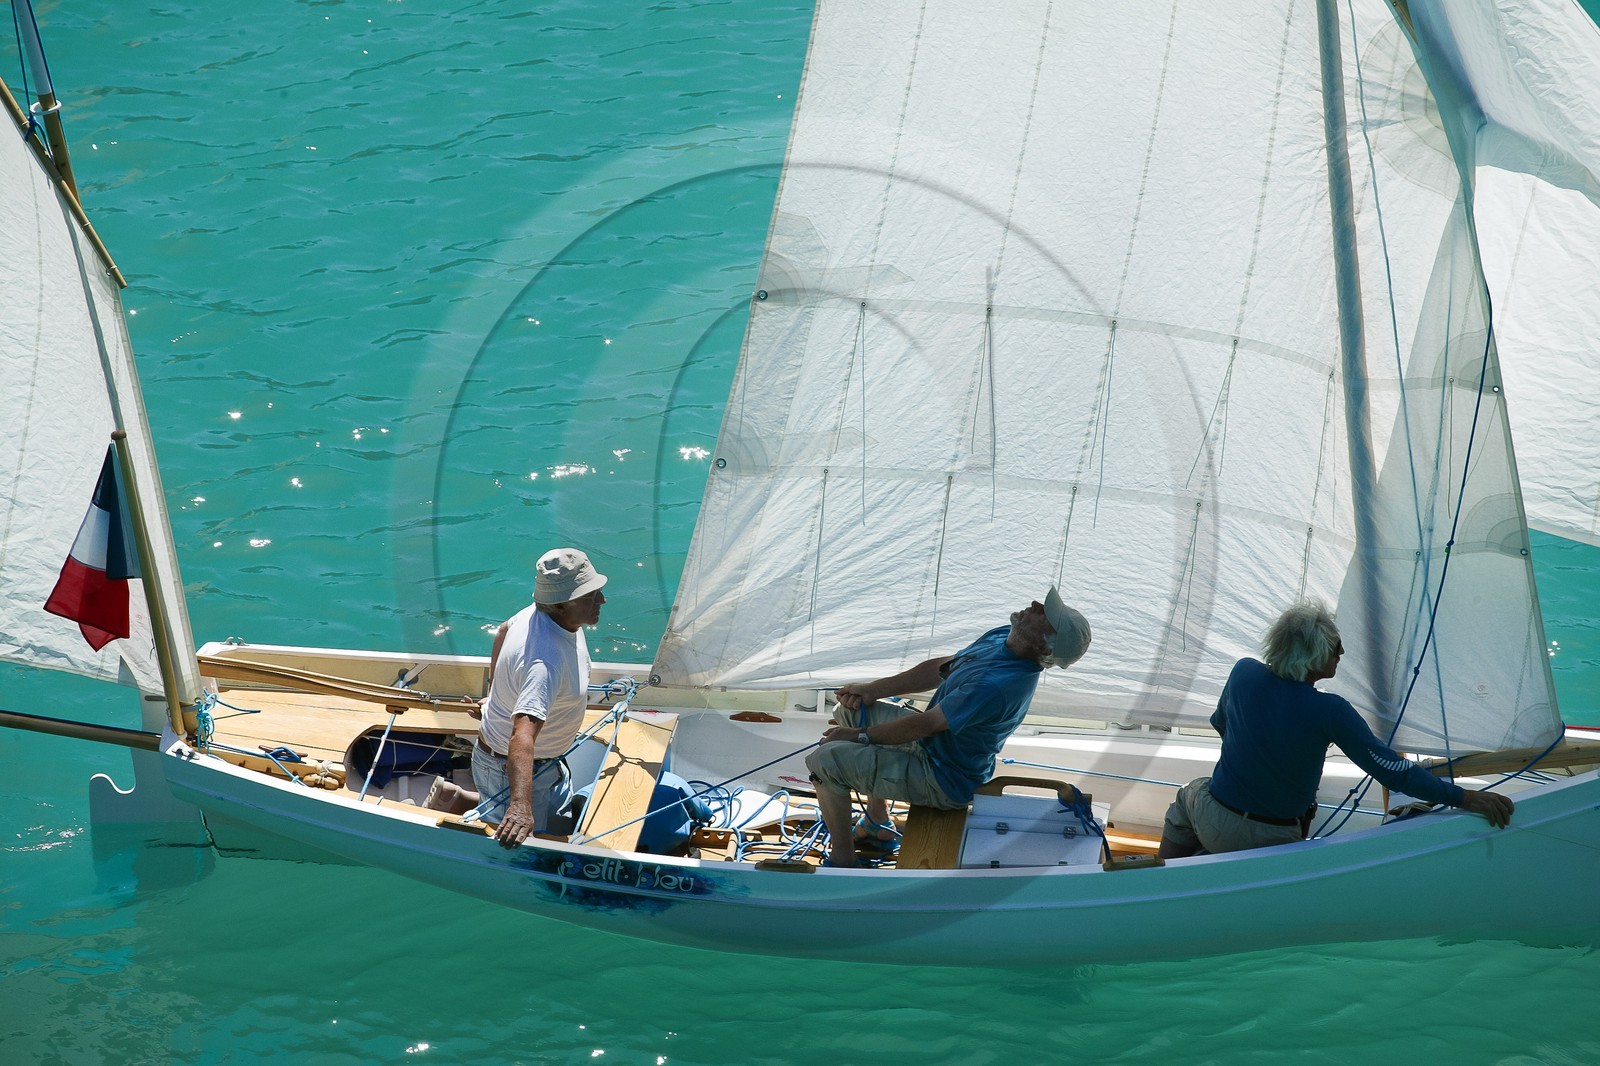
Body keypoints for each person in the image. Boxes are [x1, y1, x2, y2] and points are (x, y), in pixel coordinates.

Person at [1158, 602, 1515, 859]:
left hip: (1214, 823)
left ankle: (1162, 879)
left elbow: (1220, 724)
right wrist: (1464, 798)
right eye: (1334, 647)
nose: (1342, 651)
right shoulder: (1330, 711)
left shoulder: (1243, 672)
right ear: (1310, 658)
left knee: (1187, 796)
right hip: (1275, 839)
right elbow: (1390, 769)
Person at [806, 587, 1091, 868]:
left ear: (1043, 645)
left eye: (1045, 613)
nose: (1035, 604)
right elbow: (941, 668)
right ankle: (877, 821)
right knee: (849, 709)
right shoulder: (1002, 637)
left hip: (941, 777)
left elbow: (925, 725)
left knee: (825, 761)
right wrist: (872, 690)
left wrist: (858, 736)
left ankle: (843, 858)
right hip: (929, 743)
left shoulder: (998, 686)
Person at [474, 547, 607, 849]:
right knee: (520, 849)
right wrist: (520, 806)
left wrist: (495, 695)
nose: (601, 600)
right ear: (560, 605)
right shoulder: (545, 663)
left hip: (548, 764)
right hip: (512, 773)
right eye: (590, 596)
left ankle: (460, 797)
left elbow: (502, 631)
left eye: (597, 591)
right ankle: (477, 808)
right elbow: (522, 734)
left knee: (556, 825)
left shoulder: (540, 614)